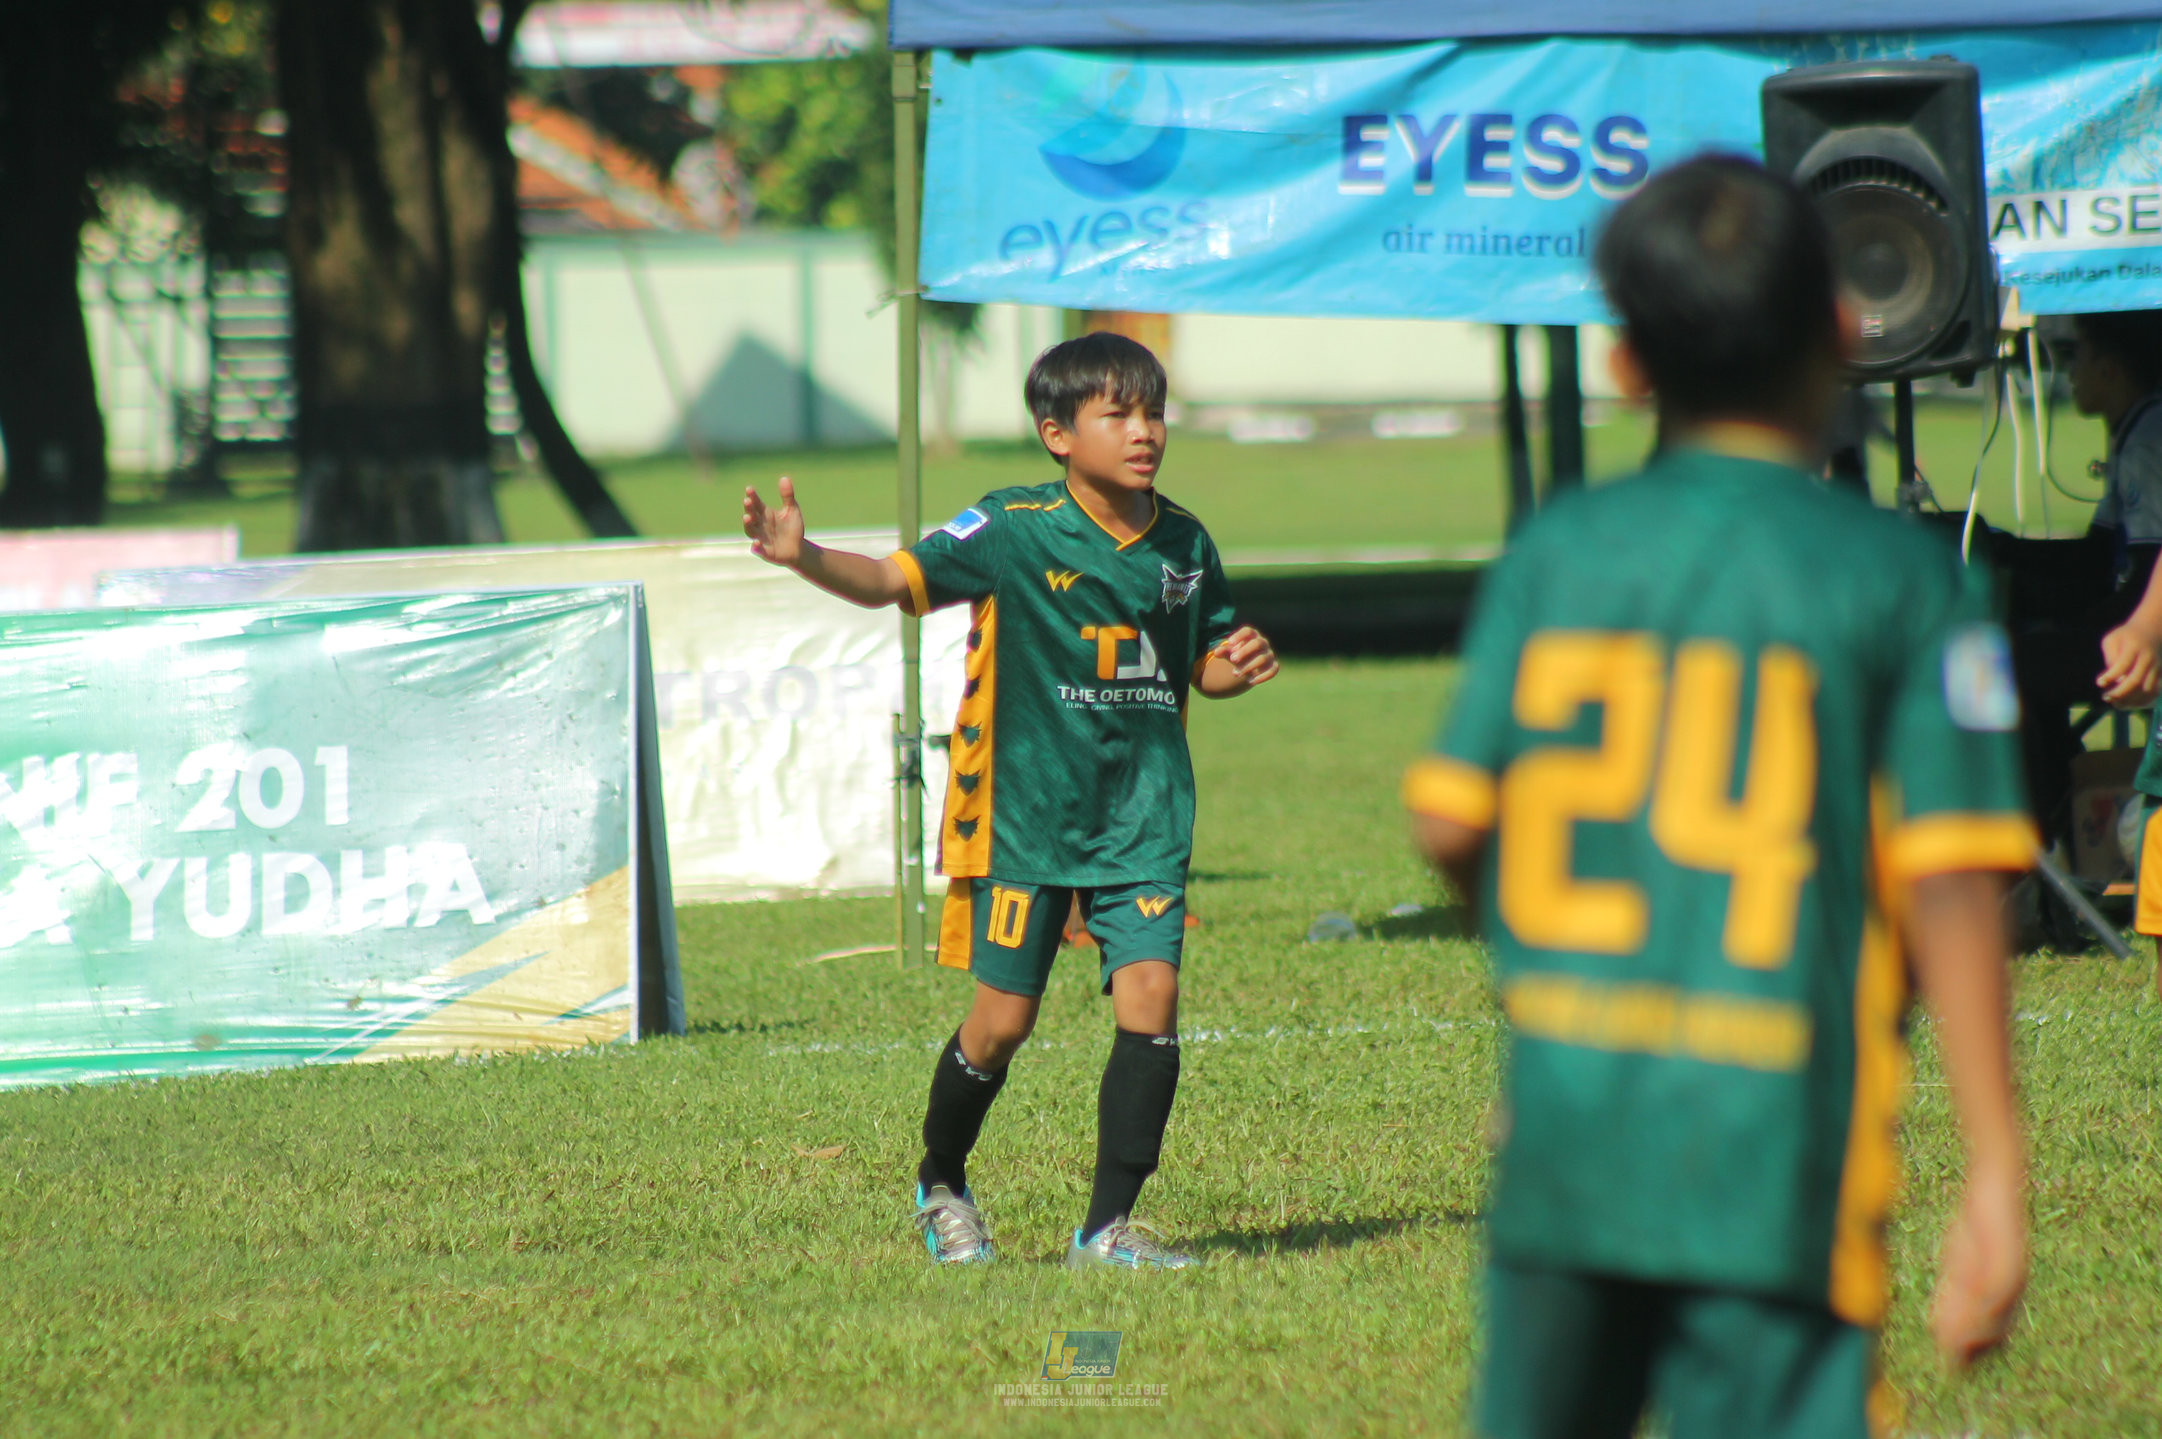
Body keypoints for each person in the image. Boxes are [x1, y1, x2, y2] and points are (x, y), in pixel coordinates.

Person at [1403, 155, 2033, 1438]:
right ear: (1842, 329)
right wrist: (1995, 1170)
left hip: (1568, 1130)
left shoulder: (1557, 550)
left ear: (1626, 366)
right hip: (1776, 1141)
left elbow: (1450, 818)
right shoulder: (1900, 577)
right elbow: (1952, 871)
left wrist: (1547, 990)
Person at [741, 332, 1278, 1269]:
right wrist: (805, 554)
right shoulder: (1013, 526)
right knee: (1002, 1024)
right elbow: (889, 582)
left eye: (1153, 411)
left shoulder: (1185, 540)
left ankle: (1105, 1230)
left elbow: (1203, 660)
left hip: (1143, 815)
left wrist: (1236, 668)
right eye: (1118, 414)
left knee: (1152, 1000)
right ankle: (941, 1181)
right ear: (1057, 433)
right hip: (1027, 817)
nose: (1144, 431)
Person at [1999, 309, 2162, 826]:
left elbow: (2142, 579)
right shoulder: (2138, 431)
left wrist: (2067, 629)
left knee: (2008, 668)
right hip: (2132, 628)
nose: (2069, 374)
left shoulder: (2149, 443)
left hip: (2145, 643)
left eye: (2079, 359)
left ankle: (2044, 827)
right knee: (2025, 653)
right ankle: (2064, 800)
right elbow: (2090, 558)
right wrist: (2000, 549)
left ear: (2111, 371)